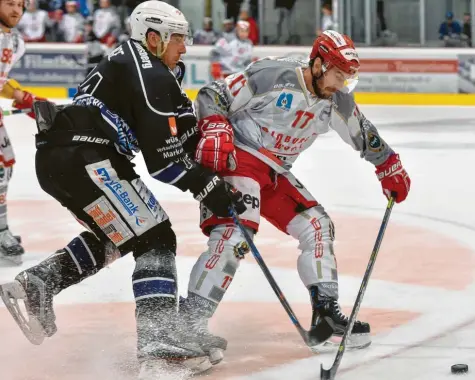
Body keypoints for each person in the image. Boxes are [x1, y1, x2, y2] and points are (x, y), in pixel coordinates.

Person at [0, 1, 245, 379]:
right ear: (153, 37)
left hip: (65, 157)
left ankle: (40, 281)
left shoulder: (136, 61)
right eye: (178, 39)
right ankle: (158, 343)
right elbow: (164, 163)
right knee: (155, 239)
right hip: (85, 157)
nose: (184, 47)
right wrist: (209, 187)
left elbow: (176, 125)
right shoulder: (150, 72)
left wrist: (205, 131)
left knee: (124, 235)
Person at [180, 30, 411, 361]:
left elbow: (363, 133)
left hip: (275, 172)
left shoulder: (337, 99)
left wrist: (388, 164)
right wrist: (216, 126)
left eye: (348, 77)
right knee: (234, 234)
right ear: (317, 64)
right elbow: (211, 95)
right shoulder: (272, 74)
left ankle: (326, 317)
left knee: (317, 225)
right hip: (239, 158)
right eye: (338, 74)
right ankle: (187, 323)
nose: (342, 84)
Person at [0, 0, 47, 265]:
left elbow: (1, 81)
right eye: (9, 3)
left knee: (5, 167)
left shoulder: (14, 41)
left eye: (20, 4)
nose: (16, 10)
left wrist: (24, 98)